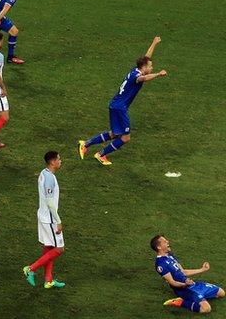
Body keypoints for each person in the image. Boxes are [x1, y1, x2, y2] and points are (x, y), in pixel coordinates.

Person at [78, 36, 167, 165]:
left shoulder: (136, 70)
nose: (152, 67)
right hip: (119, 108)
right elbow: (144, 78)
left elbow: (146, 58)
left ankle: (86, 144)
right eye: (151, 66)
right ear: (145, 67)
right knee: (125, 137)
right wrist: (158, 74)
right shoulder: (137, 76)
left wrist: (154, 43)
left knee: (115, 133)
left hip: (116, 105)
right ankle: (101, 154)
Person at [23, 151, 66, 289]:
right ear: (52, 162)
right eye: (58, 159)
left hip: (43, 216)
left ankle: (48, 280)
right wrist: (58, 220)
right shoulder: (49, 179)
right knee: (59, 249)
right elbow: (49, 201)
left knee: (49, 247)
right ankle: (31, 269)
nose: (60, 161)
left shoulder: (44, 173)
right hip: (50, 219)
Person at [151, 235, 225, 313]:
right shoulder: (160, 264)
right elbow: (172, 282)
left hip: (191, 284)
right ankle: (180, 302)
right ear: (159, 247)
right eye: (165, 242)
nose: (167, 242)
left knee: (221, 293)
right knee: (206, 309)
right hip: (183, 289)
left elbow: (183, 271)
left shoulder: (170, 255)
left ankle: (198, 297)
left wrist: (202, 269)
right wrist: (185, 284)